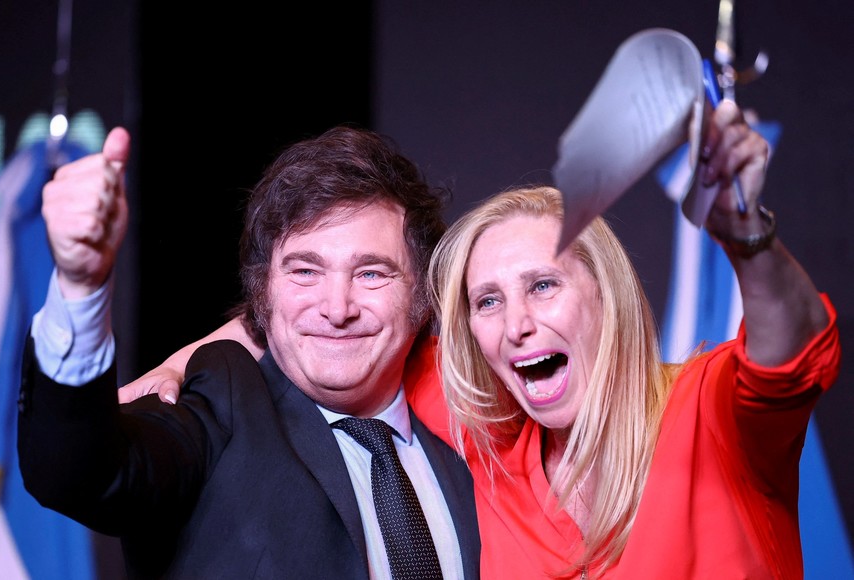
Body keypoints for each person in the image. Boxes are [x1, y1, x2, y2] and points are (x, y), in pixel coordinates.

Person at [121, 99, 841, 579]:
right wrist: (182, 365)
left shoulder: (707, 411)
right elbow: (330, 321)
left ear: (607, 296)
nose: (515, 323)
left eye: (543, 285)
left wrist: (748, 239)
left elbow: (791, 345)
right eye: (486, 301)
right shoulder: (483, 439)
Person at [17, 125, 481, 578]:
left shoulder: (475, 431)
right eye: (305, 272)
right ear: (262, 293)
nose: (337, 309)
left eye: (372, 274)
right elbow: (81, 474)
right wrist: (80, 288)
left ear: (422, 294)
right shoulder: (223, 402)